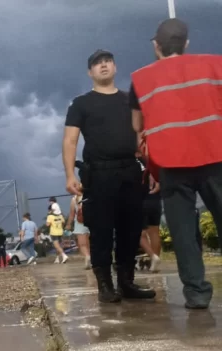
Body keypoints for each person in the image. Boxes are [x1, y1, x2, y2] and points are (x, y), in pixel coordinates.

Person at [130, 18, 222, 309]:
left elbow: (137, 124)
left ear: (156, 46)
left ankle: (197, 294)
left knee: (182, 233)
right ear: (186, 44)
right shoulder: (214, 65)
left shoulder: (141, 79)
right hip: (215, 156)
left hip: (171, 163)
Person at [63, 49, 156, 303]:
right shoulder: (81, 103)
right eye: (97, 63)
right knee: (101, 231)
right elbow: (70, 140)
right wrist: (70, 173)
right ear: (90, 72)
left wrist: (153, 169)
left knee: (131, 229)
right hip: (99, 174)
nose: (103, 66)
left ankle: (126, 283)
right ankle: (104, 285)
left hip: (130, 171)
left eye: (107, 62)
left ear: (115, 68)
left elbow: (141, 137)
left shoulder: (129, 100)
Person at [138, 172, 162, 272]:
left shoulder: (135, 165)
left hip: (141, 202)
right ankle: (154, 262)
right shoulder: (154, 166)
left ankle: (153, 257)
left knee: (139, 233)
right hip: (156, 202)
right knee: (154, 232)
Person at [67, 174, 91, 269]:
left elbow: (72, 214)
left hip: (80, 223)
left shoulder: (74, 199)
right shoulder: (90, 196)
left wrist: (68, 224)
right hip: (91, 221)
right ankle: (93, 260)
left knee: (82, 244)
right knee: (90, 243)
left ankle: (87, 256)